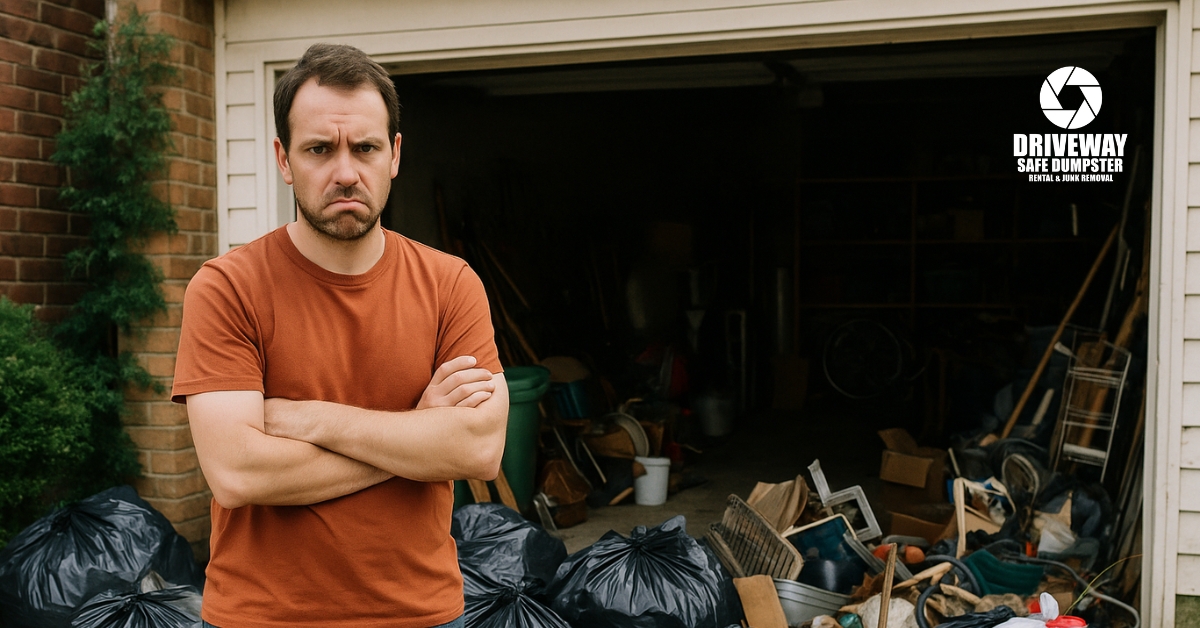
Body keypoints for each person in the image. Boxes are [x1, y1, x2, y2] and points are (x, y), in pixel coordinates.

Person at [172, 43, 509, 628]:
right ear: (284, 160)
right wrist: (419, 434)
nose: (346, 172)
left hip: (421, 614)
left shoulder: (451, 284)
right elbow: (238, 474)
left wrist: (311, 420)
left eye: (366, 148)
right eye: (319, 149)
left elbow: (476, 450)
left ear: (395, 154)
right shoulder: (226, 288)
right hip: (263, 617)